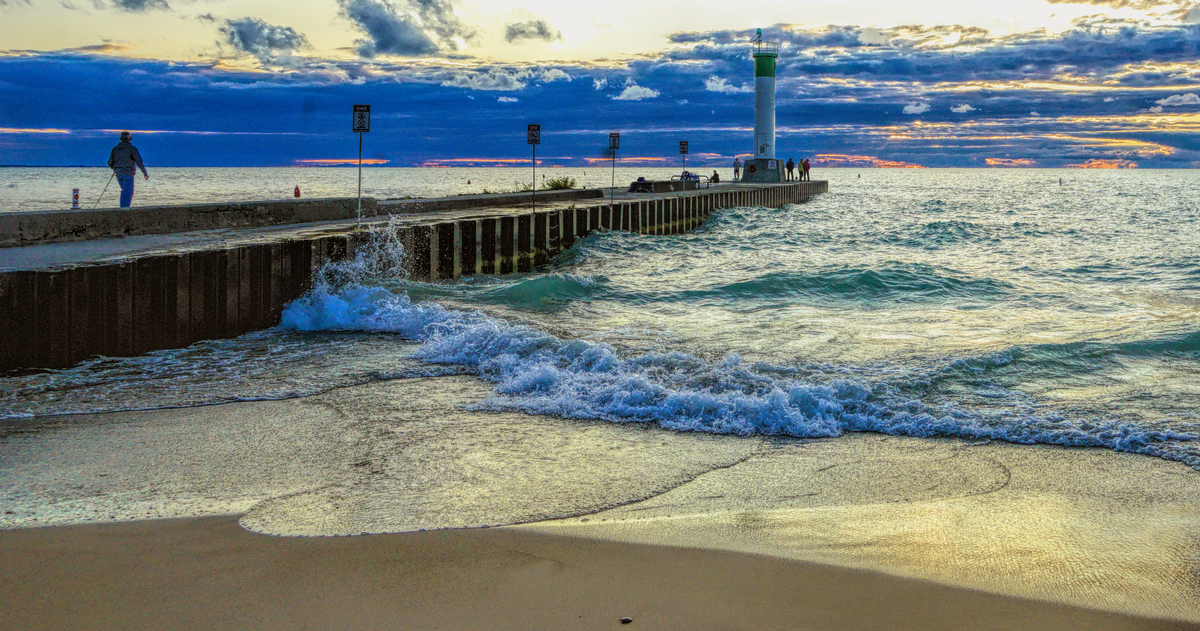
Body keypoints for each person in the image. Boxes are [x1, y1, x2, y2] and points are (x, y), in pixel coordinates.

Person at [107, 131, 148, 208]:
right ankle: (124, 210)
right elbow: (139, 162)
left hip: (118, 174)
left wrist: (115, 168)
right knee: (127, 193)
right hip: (128, 173)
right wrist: (144, 172)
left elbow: (110, 163)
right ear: (130, 138)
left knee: (125, 191)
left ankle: (124, 208)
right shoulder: (132, 149)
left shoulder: (115, 149)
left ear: (120, 139)